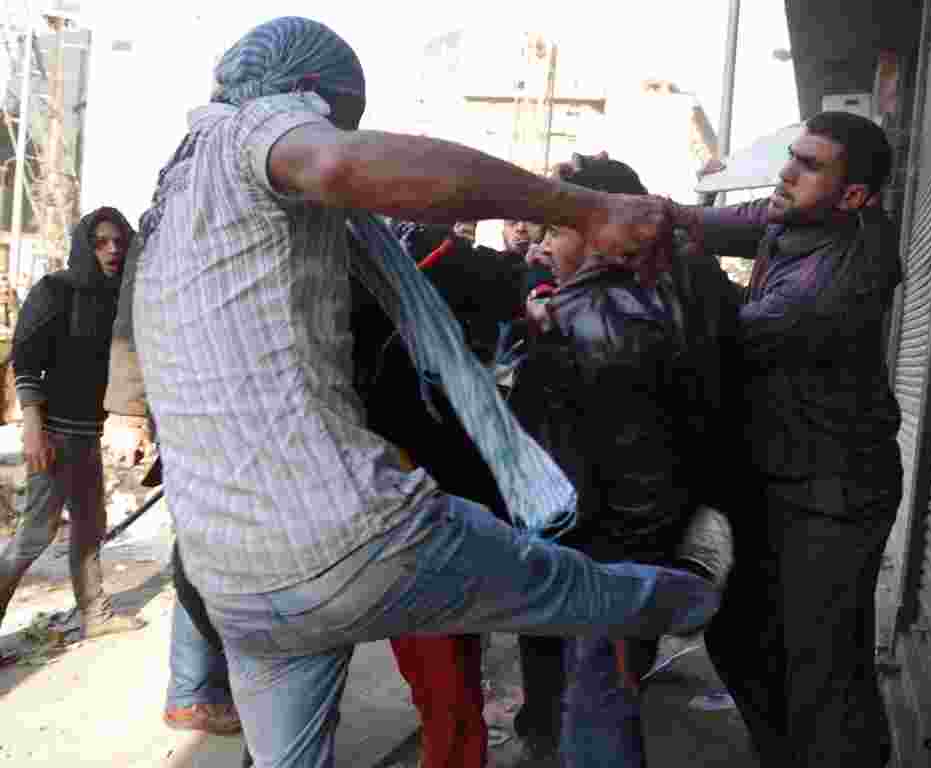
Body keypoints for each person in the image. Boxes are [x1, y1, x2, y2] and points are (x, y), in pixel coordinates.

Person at [131, 18, 718, 768]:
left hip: (236, 584)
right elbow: (337, 164)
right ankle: (711, 598)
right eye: (335, 118)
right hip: (357, 542)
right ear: (307, 98)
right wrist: (583, 207)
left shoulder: (174, 194)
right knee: (600, 593)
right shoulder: (257, 131)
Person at [675, 111, 902, 768]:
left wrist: (677, 269)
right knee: (739, 638)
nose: (787, 173)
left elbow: (726, 333)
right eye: (791, 156)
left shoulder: (835, 284)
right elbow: (717, 221)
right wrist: (640, 212)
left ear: (853, 196)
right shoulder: (797, 213)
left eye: (809, 166)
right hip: (773, 471)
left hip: (834, 493)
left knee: (821, 669)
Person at [510, 155, 737, 768]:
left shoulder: (607, 321)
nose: (538, 248)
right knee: (597, 701)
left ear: (606, 230)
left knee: (599, 710)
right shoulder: (622, 304)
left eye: (555, 232)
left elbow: (639, 468)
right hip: (609, 548)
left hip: (605, 555)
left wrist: (601, 571)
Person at [0, 208, 145, 639]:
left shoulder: (122, 300)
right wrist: (33, 427)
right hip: (55, 432)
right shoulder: (56, 290)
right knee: (36, 534)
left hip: (86, 435)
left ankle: (95, 614)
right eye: (101, 241)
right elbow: (26, 361)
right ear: (85, 244)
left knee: (88, 525)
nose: (113, 249)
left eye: (119, 240)